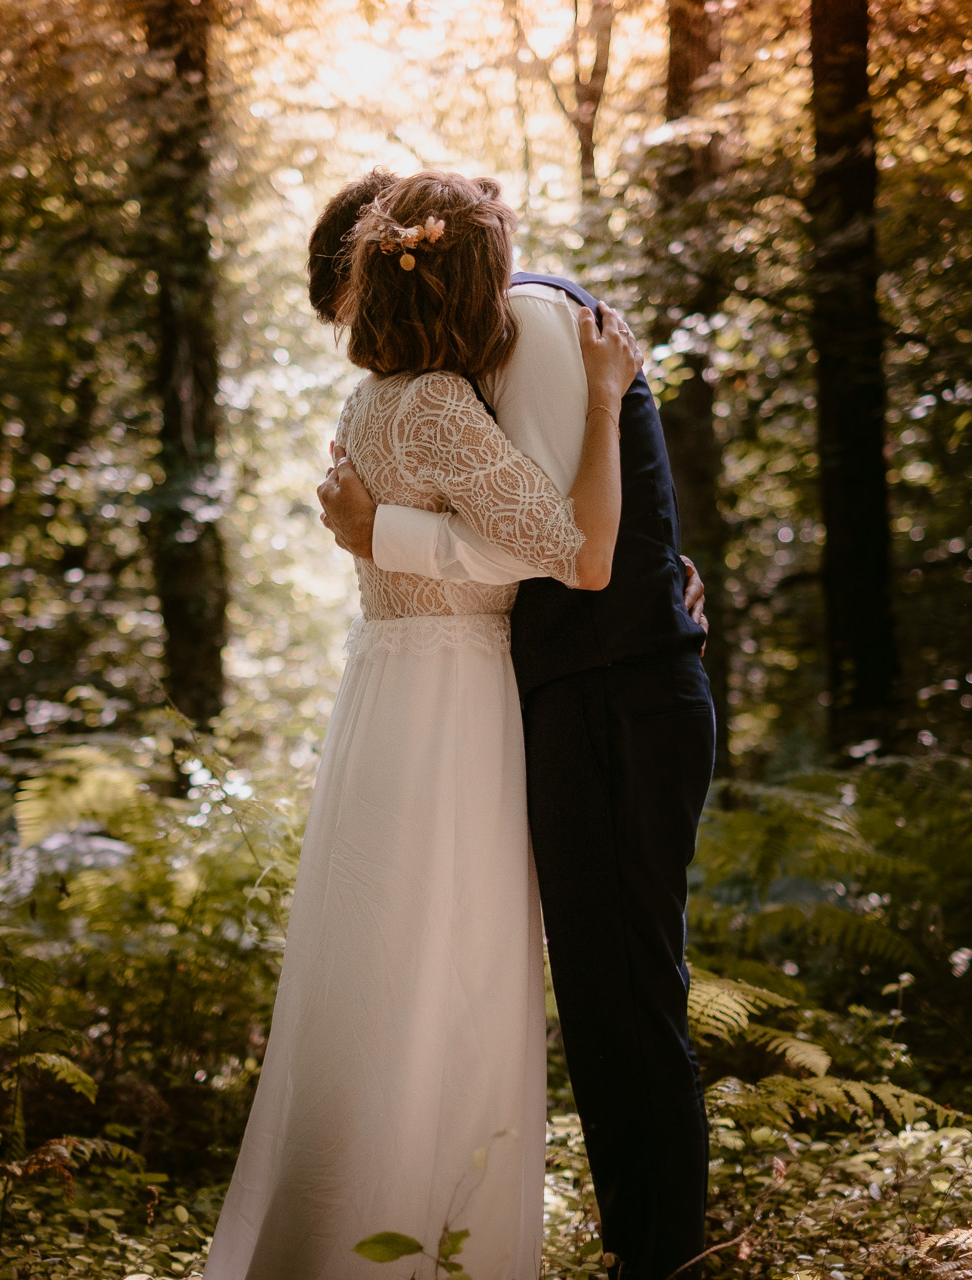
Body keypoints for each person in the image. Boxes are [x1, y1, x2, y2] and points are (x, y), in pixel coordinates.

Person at [203, 170, 645, 1280]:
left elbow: (457, 536)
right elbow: (579, 554)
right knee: (451, 971)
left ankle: (344, 1226)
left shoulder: (367, 405)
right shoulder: (444, 409)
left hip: (386, 690)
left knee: (373, 960)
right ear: (476, 284)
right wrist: (604, 395)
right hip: (454, 705)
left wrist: (379, 534)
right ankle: (423, 1243)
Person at [313, 170, 716, 1280]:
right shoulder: (451, 371)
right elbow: (566, 525)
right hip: (566, 694)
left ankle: (662, 1251)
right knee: (594, 988)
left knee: (626, 984)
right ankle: (637, 1238)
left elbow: (569, 550)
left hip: (620, 694)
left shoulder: (534, 323)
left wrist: (382, 532)